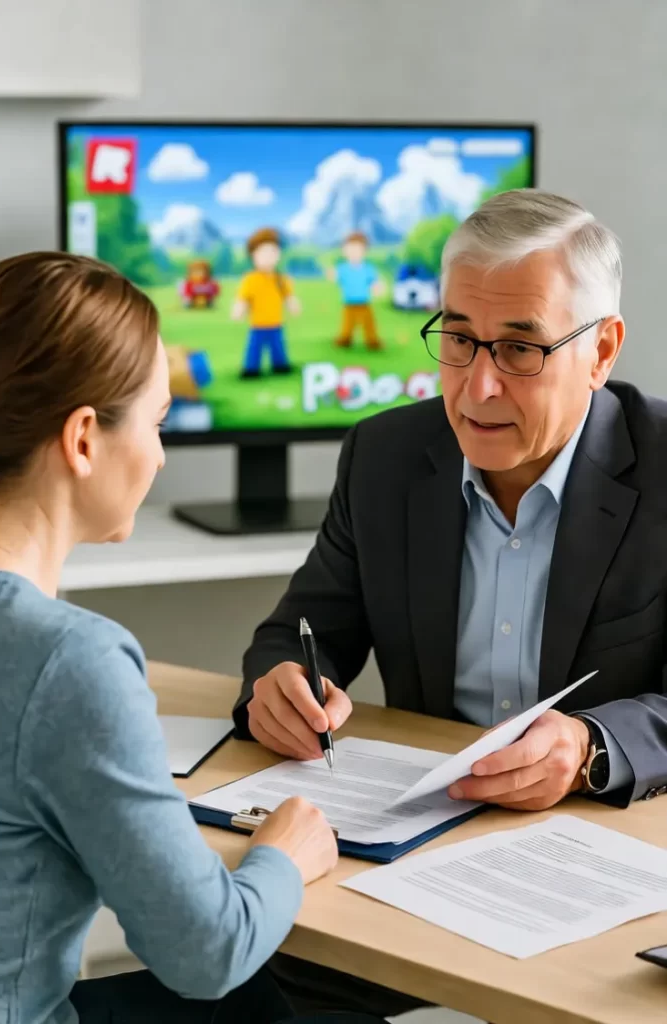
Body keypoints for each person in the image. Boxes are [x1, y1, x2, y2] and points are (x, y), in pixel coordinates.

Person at [234, 188, 667, 1017]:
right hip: (416, 857)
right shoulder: (385, 455)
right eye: (459, 339)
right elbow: (299, 632)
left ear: (601, 349)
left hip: (604, 863)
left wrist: (587, 747)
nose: (479, 387)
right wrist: (282, 683)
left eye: (519, 349)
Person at [0, 252, 385, 1024]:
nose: (157, 454)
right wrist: (285, 856)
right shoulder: (67, 660)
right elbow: (205, 954)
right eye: (156, 423)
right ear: (83, 439)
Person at [232, 227, 301, 378]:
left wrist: (293, 306)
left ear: (279, 254)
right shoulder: (250, 279)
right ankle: (251, 368)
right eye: (263, 253)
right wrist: (239, 310)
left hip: (276, 323)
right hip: (257, 324)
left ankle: (280, 365)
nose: (269, 257)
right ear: (253, 255)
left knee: (278, 346)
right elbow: (243, 298)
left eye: (273, 252)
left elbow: (288, 296)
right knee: (254, 348)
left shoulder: (281, 279)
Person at [327, 232, 385, 350]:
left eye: (358, 250)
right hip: (349, 303)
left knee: (369, 323)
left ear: (364, 251)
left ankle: (372, 340)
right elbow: (335, 277)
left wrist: (377, 287)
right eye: (351, 249)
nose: (354, 253)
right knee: (347, 323)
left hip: (364, 303)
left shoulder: (368, 268)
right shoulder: (343, 268)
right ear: (344, 251)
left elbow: (374, 281)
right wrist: (331, 274)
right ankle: (345, 338)